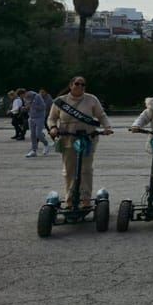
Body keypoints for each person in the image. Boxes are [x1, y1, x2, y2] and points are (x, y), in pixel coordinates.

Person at [47, 76, 113, 208]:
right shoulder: (60, 101)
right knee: (69, 170)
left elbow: (101, 115)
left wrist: (107, 127)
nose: (80, 87)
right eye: (77, 84)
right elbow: (52, 118)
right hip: (67, 139)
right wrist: (53, 128)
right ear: (71, 85)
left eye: (83, 85)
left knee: (86, 169)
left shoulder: (91, 99)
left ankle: (85, 198)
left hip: (88, 139)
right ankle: (69, 198)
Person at [24, 91, 51, 157]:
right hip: (31, 117)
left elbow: (43, 107)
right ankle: (34, 150)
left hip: (39, 117)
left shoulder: (37, 97)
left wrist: (33, 106)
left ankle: (46, 144)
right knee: (32, 135)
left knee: (38, 134)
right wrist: (26, 108)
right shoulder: (26, 98)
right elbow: (28, 107)